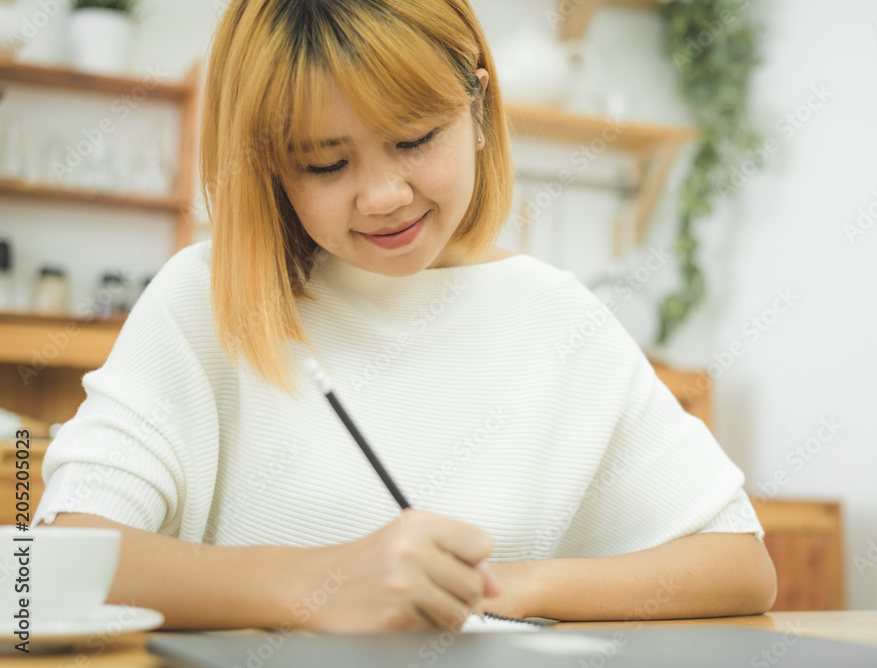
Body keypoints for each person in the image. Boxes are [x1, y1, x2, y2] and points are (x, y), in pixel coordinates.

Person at [34, 0, 776, 633]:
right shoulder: (204, 301)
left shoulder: (560, 319)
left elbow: (740, 565)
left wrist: (500, 589)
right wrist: (319, 585)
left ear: (479, 110)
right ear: (269, 167)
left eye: (415, 138)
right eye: (326, 163)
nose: (384, 195)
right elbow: (55, 568)